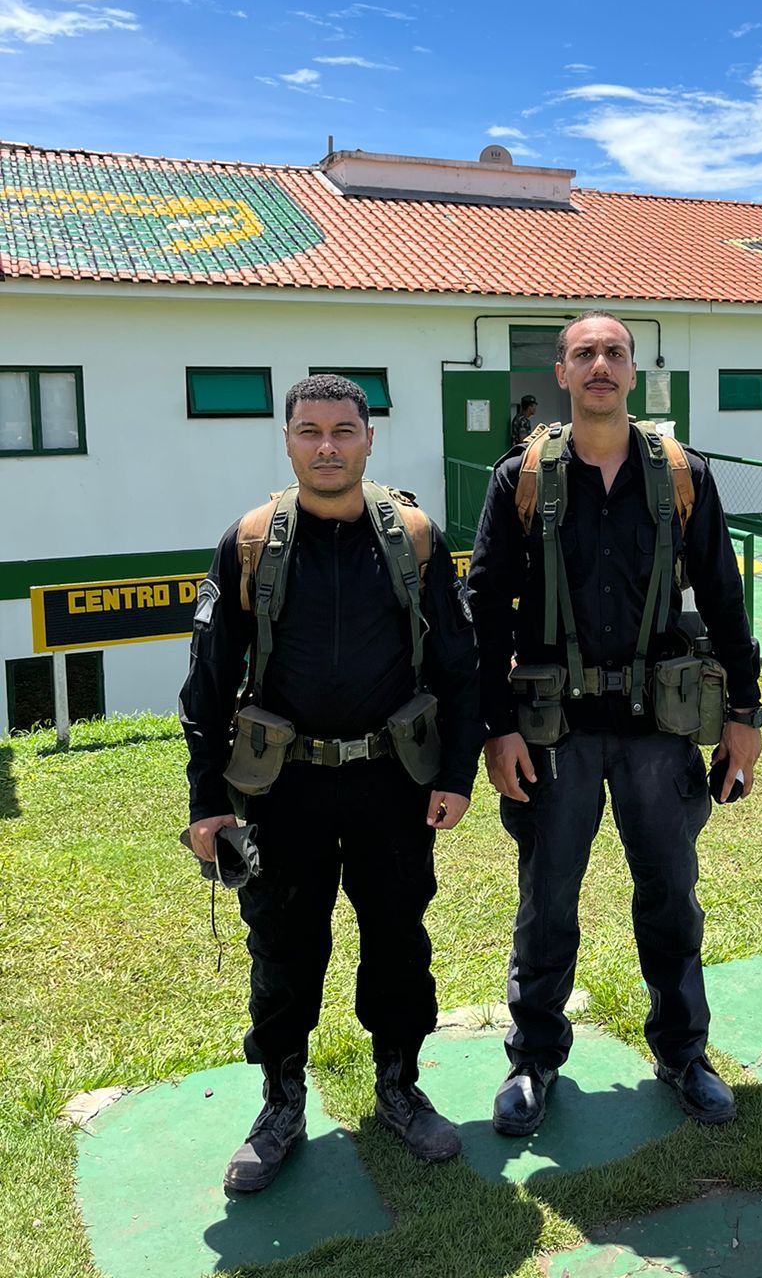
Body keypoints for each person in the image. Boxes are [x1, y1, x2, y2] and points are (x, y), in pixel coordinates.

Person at [180, 373, 483, 1193]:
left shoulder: (413, 538)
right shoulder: (251, 543)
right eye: (309, 432)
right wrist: (207, 802)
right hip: (284, 790)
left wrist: (457, 774)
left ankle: (400, 1086)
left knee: (398, 942)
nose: (326, 447)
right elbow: (207, 683)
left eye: (343, 431)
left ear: (369, 440)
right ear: (287, 441)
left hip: (392, 783)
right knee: (283, 950)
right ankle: (281, 1102)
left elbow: (459, 668)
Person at [467, 311, 762, 1136]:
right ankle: (533, 1059)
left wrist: (745, 713)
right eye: (584, 353)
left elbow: (724, 595)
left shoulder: (682, 475)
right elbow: (484, 608)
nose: (600, 364)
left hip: (655, 729)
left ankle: (683, 1053)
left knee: (671, 897)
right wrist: (497, 727)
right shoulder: (521, 478)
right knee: (546, 901)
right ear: (561, 372)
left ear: (634, 371)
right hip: (552, 732)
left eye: (615, 352)